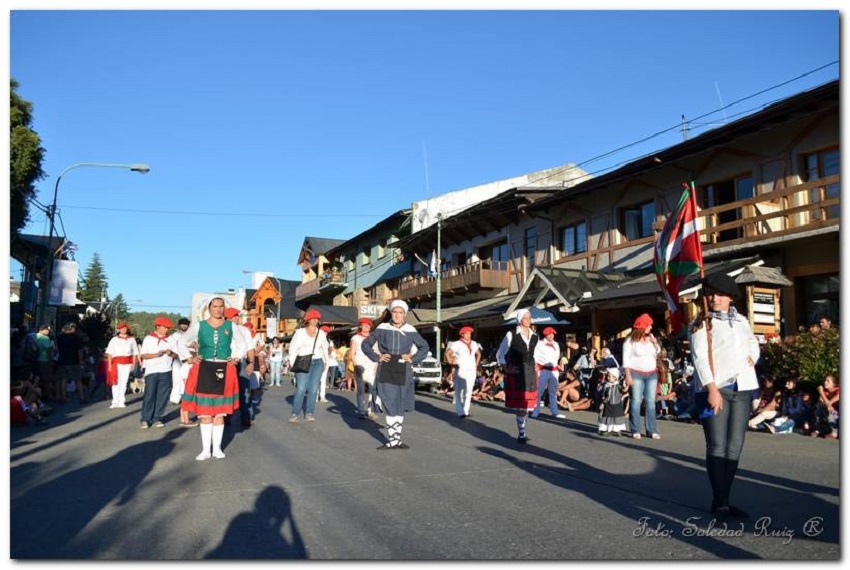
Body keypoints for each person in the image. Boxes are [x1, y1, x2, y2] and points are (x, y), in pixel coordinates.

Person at [689, 272, 760, 520]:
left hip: (742, 388)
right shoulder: (701, 323)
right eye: (710, 294)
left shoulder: (741, 320)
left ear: (731, 297)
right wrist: (711, 389)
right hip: (717, 389)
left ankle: (725, 500)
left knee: (734, 447)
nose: (714, 298)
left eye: (720, 294)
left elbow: (753, 341)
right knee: (717, 446)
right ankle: (719, 503)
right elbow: (699, 359)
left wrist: (754, 355)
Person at [178, 297, 249, 460]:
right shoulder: (199, 326)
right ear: (209, 308)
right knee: (205, 413)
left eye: (221, 306)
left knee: (219, 413)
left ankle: (216, 448)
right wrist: (189, 358)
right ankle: (205, 450)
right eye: (215, 306)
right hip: (204, 368)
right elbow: (182, 342)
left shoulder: (231, 325)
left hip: (224, 368)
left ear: (224, 308)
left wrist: (237, 357)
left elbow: (242, 344)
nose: (218, 309)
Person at [361, 300, 430, 450]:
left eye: (400, 312)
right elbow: (365, 344)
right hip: (386, 367)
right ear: (391, 313)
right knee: (389, 400)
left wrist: (412, 358)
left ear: (404, 314)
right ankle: (392, 440)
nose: (397, 315)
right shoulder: (382, 328)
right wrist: (377, 357)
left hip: (404, 368)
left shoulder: (411, 329)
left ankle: (396, 440)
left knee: (400, 402)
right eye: (395, 312)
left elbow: (424, 347)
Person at [496, 308, 538, 444]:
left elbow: (535, 354)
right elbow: (500, 354)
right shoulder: (511, 334)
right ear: (520, 320)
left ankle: (523, 429)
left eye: (530, 318)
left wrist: (537, 365)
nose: (529, 320)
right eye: (526, 318)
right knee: (521, 406)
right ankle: (522, 433)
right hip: (518, 372)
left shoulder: (535, 335)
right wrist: (507, 368)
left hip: (531, 372)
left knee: (528, 406)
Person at [623, 313, 661, 440]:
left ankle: (651, 429)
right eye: (649, 325)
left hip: (652, 372)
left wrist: (655, 343)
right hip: (636, 372)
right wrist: (627, 375)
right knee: (636, 401)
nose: (651, 328)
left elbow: (658, 352)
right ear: (642, 327)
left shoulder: (650, 339)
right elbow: (626, 359)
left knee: (651, 402)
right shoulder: (630, 341)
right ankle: (635, 429)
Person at [287, 309, 329, 423]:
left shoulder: (321, 333)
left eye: (317, 319)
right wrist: (292, 363)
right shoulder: (300, 332)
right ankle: (295, 413)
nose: (316, 320)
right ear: (308, 320)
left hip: (318, 362)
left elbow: (325, 348)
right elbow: (292, 349)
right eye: (313, 318)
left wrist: (326, 362)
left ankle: (309, 413)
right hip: (303, 361)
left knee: (314, 389)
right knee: (301, 388)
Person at [139, 317, 176, 429]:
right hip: (152, 371)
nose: (166, 330)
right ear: (158, 326)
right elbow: (143, 355)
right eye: (165, 327)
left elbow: (176, 355)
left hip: (166, 370)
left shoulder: (171, 339)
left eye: (168, 328)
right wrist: (156, 355)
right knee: (150, 394)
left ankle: (157, 417)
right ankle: (146, 418)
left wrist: (170, 353)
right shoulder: (148, 339)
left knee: (162, 395)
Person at [223, 308, 256, 427]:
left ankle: (246, 416)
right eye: (234, 316)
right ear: (227, 318)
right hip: (225, 363)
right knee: (227, 391)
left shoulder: (244, 330)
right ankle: (226, 415)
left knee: (244, 390)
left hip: (241, 363)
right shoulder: (221, 329)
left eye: (237, 315)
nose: (237, 318)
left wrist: (251, 363)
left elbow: (250, 348)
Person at [445, 326, 482, 418]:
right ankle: (460, 410)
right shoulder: (456, 344)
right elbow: (447, 353)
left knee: (469, 390)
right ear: (462, 334)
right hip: (461, 369)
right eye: (466, 333)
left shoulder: (474, 343)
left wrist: (476, 364)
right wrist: (451, 363)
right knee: (459, 390)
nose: (468, 335)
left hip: (471, 370)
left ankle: (466, 410)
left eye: (470, 334)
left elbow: (478, 354)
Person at [531, 327, 566, 419]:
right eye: (550, 334)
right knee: (539, 391)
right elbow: (535, 357)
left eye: (553, 334)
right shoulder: (540, 344)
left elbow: (557, 357)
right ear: (546, 334)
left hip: (554, 371)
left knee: (553, 392)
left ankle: (555, 411)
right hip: (543, 370)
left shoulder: (556, 344)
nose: (552, 335)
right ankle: (536, 410)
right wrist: (536, 369)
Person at [168, 318, 197, 427]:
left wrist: (195, 346)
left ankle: (185, 418)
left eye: (186, 325)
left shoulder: (192, 335)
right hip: (182, 361)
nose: (184, 326)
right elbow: (177, 349)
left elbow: (196, 346)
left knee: (187, 390)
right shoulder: (175, 336)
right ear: (179, 325)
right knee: (181, 385)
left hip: (190, 363)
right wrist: (188, 347)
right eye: (182, 324)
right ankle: (183, 415)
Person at [105, 322, 141, 409]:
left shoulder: (131, 339)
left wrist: (133, 364)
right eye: (121, 328)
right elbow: (110, 353)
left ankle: (121, 401)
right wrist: (109, 365)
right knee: (116, 382)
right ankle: (115, 401)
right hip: (116, 363)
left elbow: (135, 352)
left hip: (127, 363)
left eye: (125, 328)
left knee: (124, 382)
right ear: (119, 330)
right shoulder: (114, 339)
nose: (123, 330)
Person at [350, 317, 379, 419]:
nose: (366, 326)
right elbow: (352, 354)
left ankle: (370, 409)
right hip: (360, 366)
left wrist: (377, 364)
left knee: (372, 389)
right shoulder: (355, 338)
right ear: (360, 326)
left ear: (370, 327)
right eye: (364, 325)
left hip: (372, 366)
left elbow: (377, 353)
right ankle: (361, 409)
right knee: (361, 389)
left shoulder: (374, 339)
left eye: (368, 325)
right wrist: (356, 365)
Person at [56, 322, 87, 406]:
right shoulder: (76, 338)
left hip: (62, 361)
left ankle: (63, 398)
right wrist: (80, 360)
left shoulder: (60, 337)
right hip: (74, 361)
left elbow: (58, 348)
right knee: (78, 380)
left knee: (63, 379)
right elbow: (80, 351)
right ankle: (81, 398)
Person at [597, 368, 627, 436]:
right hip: (608, 404)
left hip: (617, 404)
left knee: (617, 417)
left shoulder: (618, 385)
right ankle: (607, 429)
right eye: (608, 376)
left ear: (615, 378)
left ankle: (617, 430)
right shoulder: (607, 385)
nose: (608, 378)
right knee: (607, 416)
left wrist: (625, 386)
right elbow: (604, 395)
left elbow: (623, 390)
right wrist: (603, 402)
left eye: (609, 376)